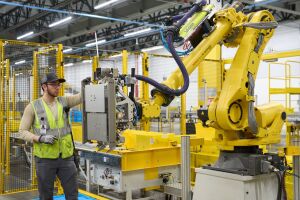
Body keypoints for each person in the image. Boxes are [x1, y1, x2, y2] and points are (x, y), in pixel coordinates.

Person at [19, 72, 82, 200]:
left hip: (66, 157)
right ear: (44, 87)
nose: (57, 87)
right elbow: (22, 131)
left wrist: (86, 87)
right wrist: (39, 138)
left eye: (58, 84)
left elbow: (82, 97)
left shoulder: (64, 102)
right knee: (46, 195)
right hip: (45, 159)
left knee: (72, 194)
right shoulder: (33, 107)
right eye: (53, 84)